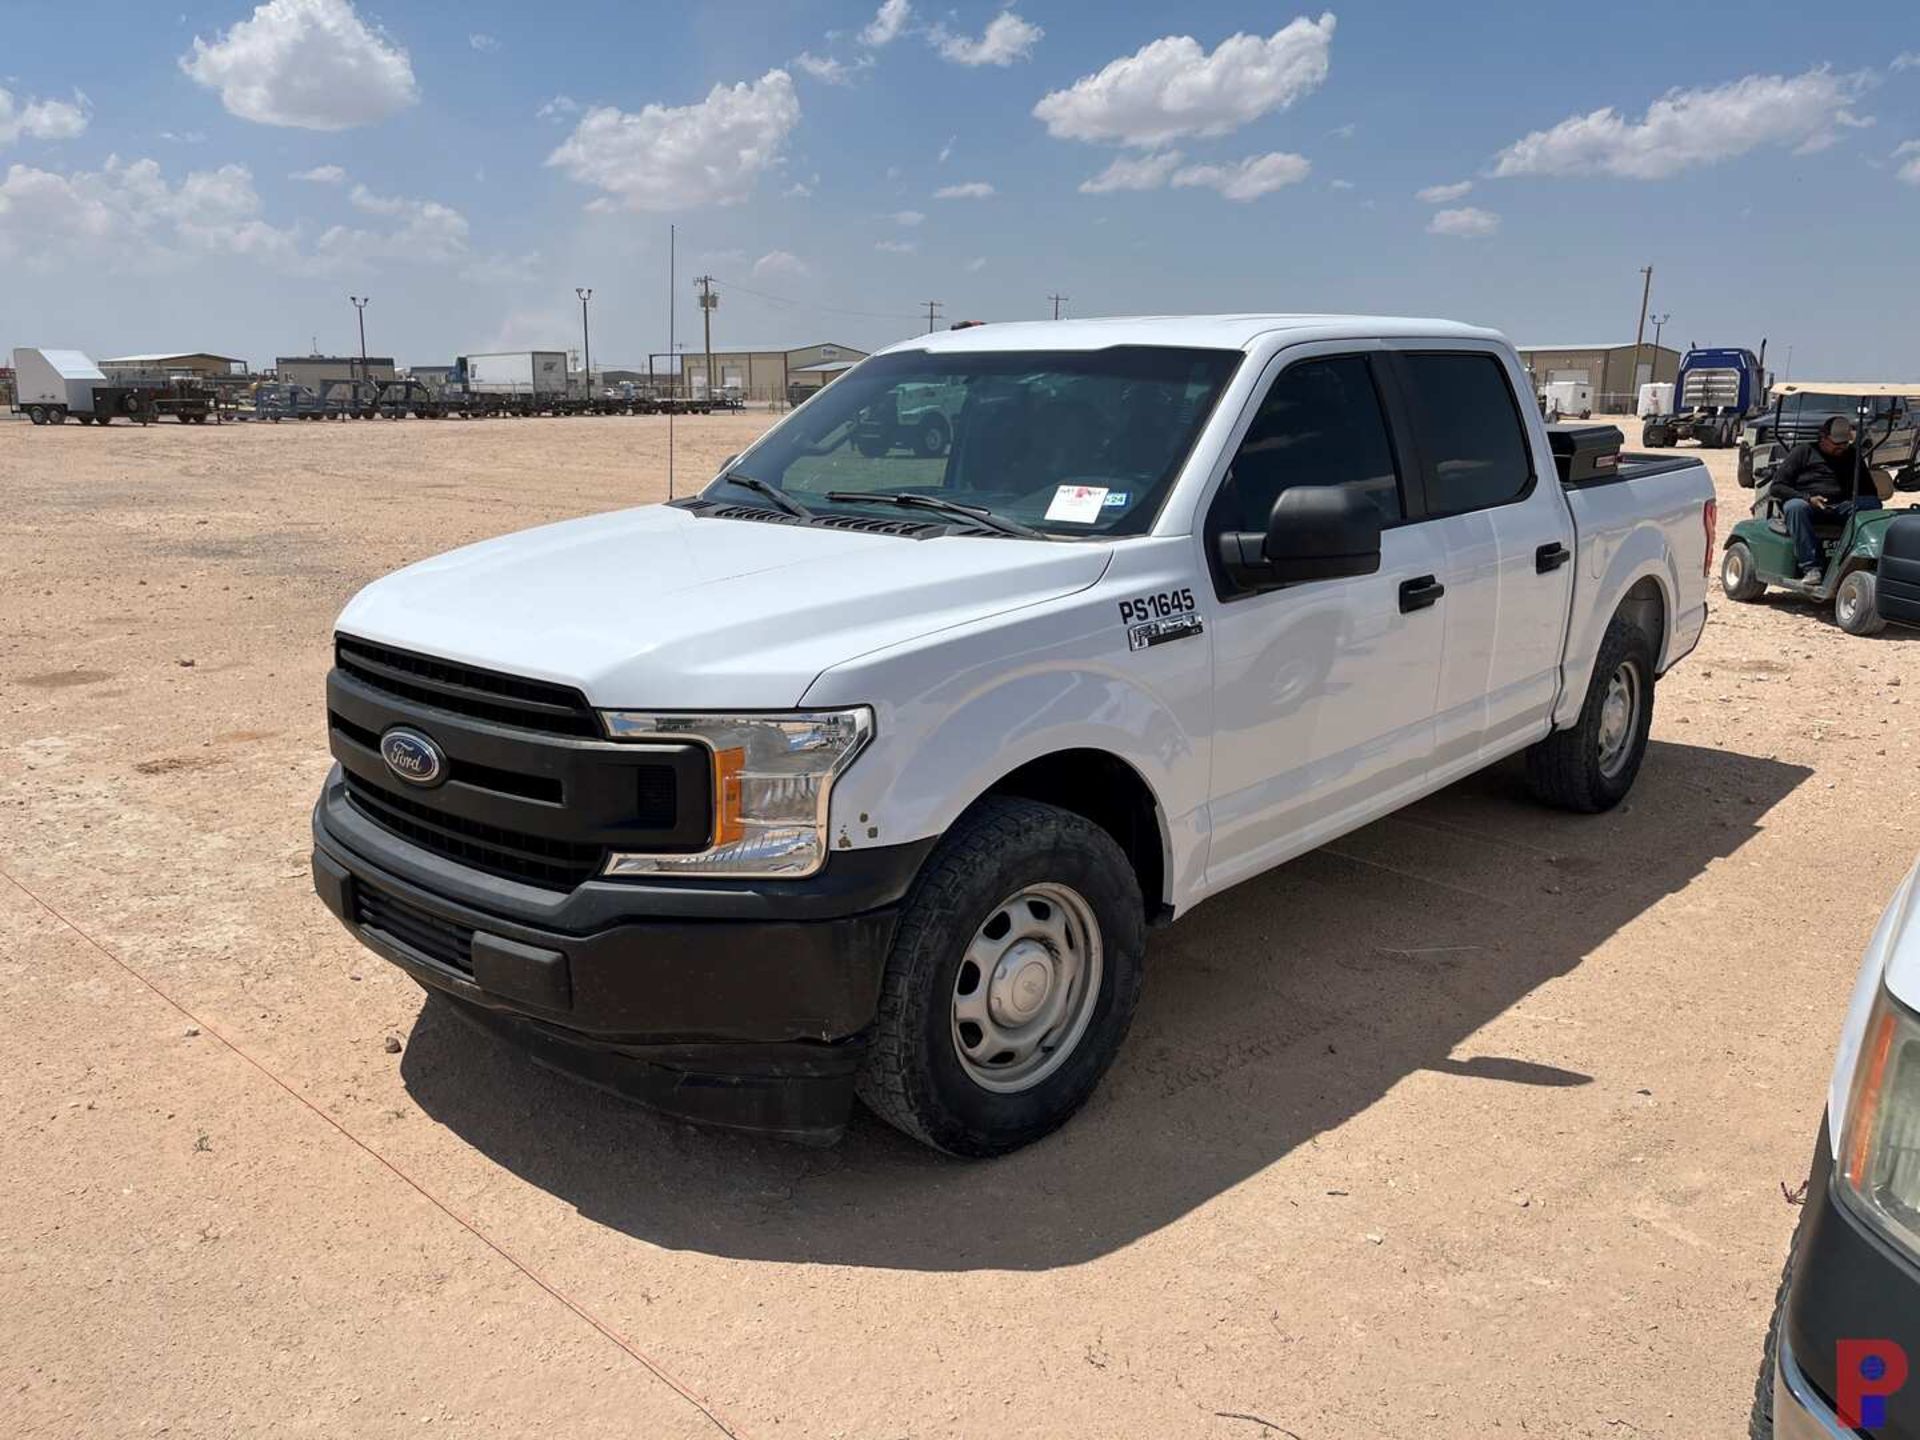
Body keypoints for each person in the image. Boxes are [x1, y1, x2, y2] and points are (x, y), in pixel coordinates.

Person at [1770, 415, 1881, 584]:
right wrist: (1807, 498)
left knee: (1872, 505)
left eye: (1845, 444)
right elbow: (1777, 486)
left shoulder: (1852, 456)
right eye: (1837, 444)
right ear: (1823, 437)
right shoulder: (1804, 451)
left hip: (1842, 506)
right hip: (1810, 505)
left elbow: (1869, 491)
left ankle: (1860, 560)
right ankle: (1811, 568)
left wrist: (1858, 499)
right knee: (1795, 507)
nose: (1841, 448)